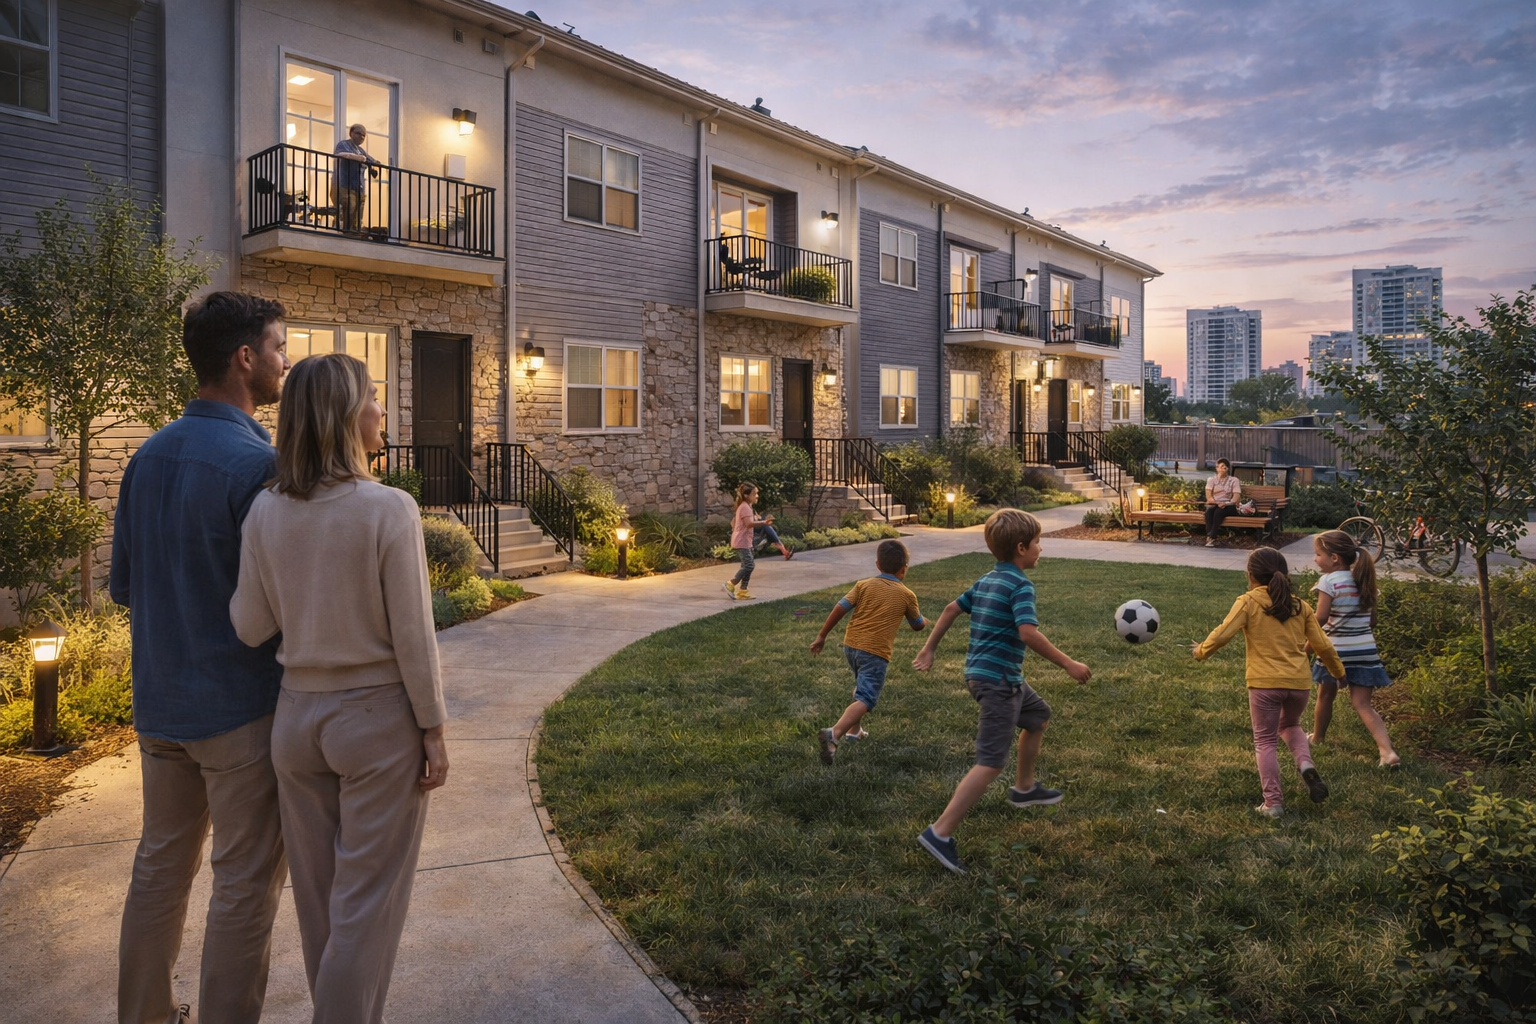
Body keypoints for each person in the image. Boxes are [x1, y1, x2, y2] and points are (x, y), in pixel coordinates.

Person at [231, 353, 449, 1022]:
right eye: (375, 398)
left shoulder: (266, 511)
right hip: (377, 722)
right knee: (367, 906)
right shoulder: (388, 509)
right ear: (346, 415)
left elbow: (247, 625)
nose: (384, 411)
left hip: (296, 723)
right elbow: (413, 635)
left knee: (322, 902)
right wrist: (433, 728)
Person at [110, 291, 291, 1024]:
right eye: (279, 346)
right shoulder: (258, 466)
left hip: (158, 707)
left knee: (159, 868)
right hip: (238, 713)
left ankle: (145, 1015)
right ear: (245, 359)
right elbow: (276, 608)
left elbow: (125, 587)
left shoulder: (146, 457)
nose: (286, 361)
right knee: (244, 882)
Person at [911, 509, 1092, 874]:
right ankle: (939, 832)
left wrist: (929, 648)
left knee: (1037, 716)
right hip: (998, 682)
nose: (1042, 548)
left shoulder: (988, 578)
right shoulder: (1020, 585)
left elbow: (949, 609)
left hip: (988, 675)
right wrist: (1070, 664)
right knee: (991, 761)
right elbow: (1028, 633)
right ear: (1022, 547)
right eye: (1038, 542)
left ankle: (1024, 787)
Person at [1194, 547, 1344, 818]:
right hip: (1299, 683)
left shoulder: (1249, 601)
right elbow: (1323, 645)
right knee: (1291, 725)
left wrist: (1201, 651)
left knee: (1265, 741)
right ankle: (1306, 764)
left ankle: (1273, 802)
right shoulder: (1301, 606)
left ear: (1250, 575)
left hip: (1265, 684)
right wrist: (1339, 672)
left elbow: (1223, 633)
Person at [809, 538, 927, 763]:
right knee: (867, 698)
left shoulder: (862, 585)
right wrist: (924, 622)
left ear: (877, 564)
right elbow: (917, 624)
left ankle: (855, 732)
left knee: (860, 687)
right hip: (875, 653)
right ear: (904, 569)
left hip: (851, 647)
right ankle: (833, 734)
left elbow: (840, 608)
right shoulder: (907, 595)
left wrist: (822, 636)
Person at [1307, 530, 1401, 767]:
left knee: (1325, 695)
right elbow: (1371, 622)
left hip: (1334, 651)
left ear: (1334, 557)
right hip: (1364, 650)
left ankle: (1317, 737)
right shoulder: (1364, 581)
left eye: (1318, 554)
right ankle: (1387, 751)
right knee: (1362, 704)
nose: (1315, 559)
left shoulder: (1328, 581)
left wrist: (1305, 643)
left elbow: (1320, 618)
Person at [723, 482, 774, 600]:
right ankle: (730, 584)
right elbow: (749, 524)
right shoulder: (745, 507)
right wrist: (763, 522)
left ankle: (743, 591)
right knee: (749, 565)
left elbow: (734, 522)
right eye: (754, 494)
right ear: (746, 495)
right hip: (742, 542)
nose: (757, 496)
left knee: (746, 565)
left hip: (745, 541)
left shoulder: (746, 507)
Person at [333, 123, 383, 235]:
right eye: (358, 133)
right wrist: (364, 160)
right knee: (349, 210)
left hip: (359, 187)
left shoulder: (360, 150)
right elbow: (345, 155)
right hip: (346, 185)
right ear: (351, 133)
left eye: (363, 135)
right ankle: (346, 233)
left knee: (357, 214)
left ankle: (355, 233)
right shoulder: (343, 144)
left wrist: (375, 164)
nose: (361, 137)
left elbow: (371, 160)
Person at [1203, 457, 1242, 547]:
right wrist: (1215, 502)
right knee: (1209, 511)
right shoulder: (1211, 480)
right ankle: (1210, 536)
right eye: (1218, 467)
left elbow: (1236, 496)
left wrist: (1226, 503)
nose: (1220, 469)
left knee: (1218, 512)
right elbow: (1209, 496)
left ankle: (1211, 536)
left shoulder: (1234, 480)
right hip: (1215, 504)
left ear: (1227, 468)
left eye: (1223, 466)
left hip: (1229, 505)